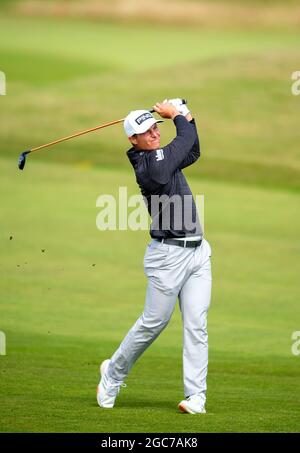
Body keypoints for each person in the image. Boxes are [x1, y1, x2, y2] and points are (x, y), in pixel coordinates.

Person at [97, 99, 212, 414]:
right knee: (154, 323)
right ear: (132, 139)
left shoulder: (163, 157)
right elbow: (181, 141)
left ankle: (196, 396)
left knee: (196, 325)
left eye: (153, 127)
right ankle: (113, 373)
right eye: (144, 132)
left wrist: (187, 115)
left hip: (198, 253)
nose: (152, 133)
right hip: (168, 257)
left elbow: (192, 149)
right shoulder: (150, 166)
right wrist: (177, 115)